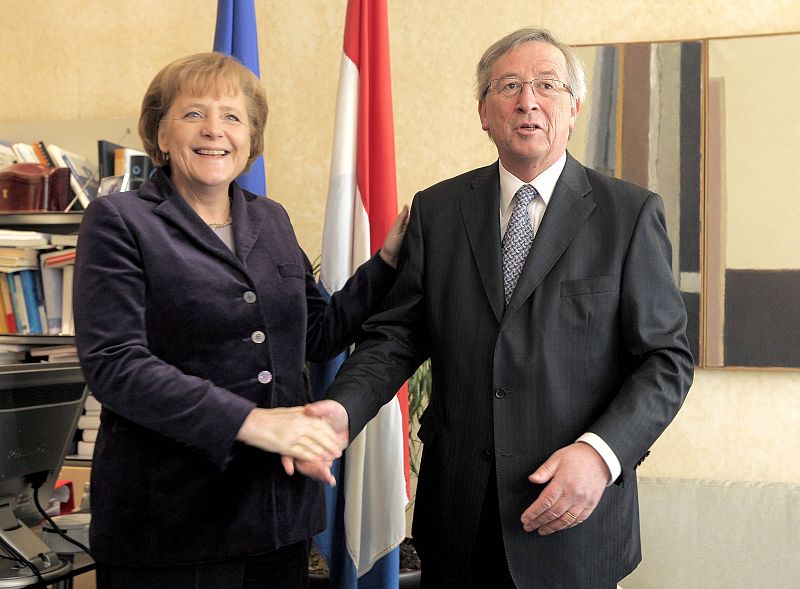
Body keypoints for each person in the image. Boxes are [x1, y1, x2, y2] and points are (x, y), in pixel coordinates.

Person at [305, 27, 694, 588]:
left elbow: (665, 361)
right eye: (508, 86)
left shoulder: (628, 215)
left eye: (547, 85)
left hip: (571, 521)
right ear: (483, 112)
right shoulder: (438, 211)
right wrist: (341, 410)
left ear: (574, 108)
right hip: (457, 520)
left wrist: (600, 454)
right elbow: (395, 338)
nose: (527, 100)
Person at [73, 52, 407, 589]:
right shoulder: (119, 220)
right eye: (193, 114)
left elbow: (317, 335)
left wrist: (386, 263)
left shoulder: (270, 218)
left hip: (276, 518)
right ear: (160, 134)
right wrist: (255, 423)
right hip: (171, 526)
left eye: (232, 117)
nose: (214, 130)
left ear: (251, 139)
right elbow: (116, 365)